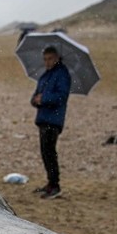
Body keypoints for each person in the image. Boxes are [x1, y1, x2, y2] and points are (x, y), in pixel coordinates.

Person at [30, 45, 71, 199]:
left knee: (50, 152)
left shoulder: (62, 74)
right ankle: (50, 183)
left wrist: (44, 99)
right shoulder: (45, 76)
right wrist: (35, 100)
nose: (47, 62)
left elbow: (61, 96)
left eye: (50, 59)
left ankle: (55, 185)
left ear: (57, 58)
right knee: (45, 153)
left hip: (53, 120)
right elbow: (35, 95)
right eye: (45, 59)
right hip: (43, 118)